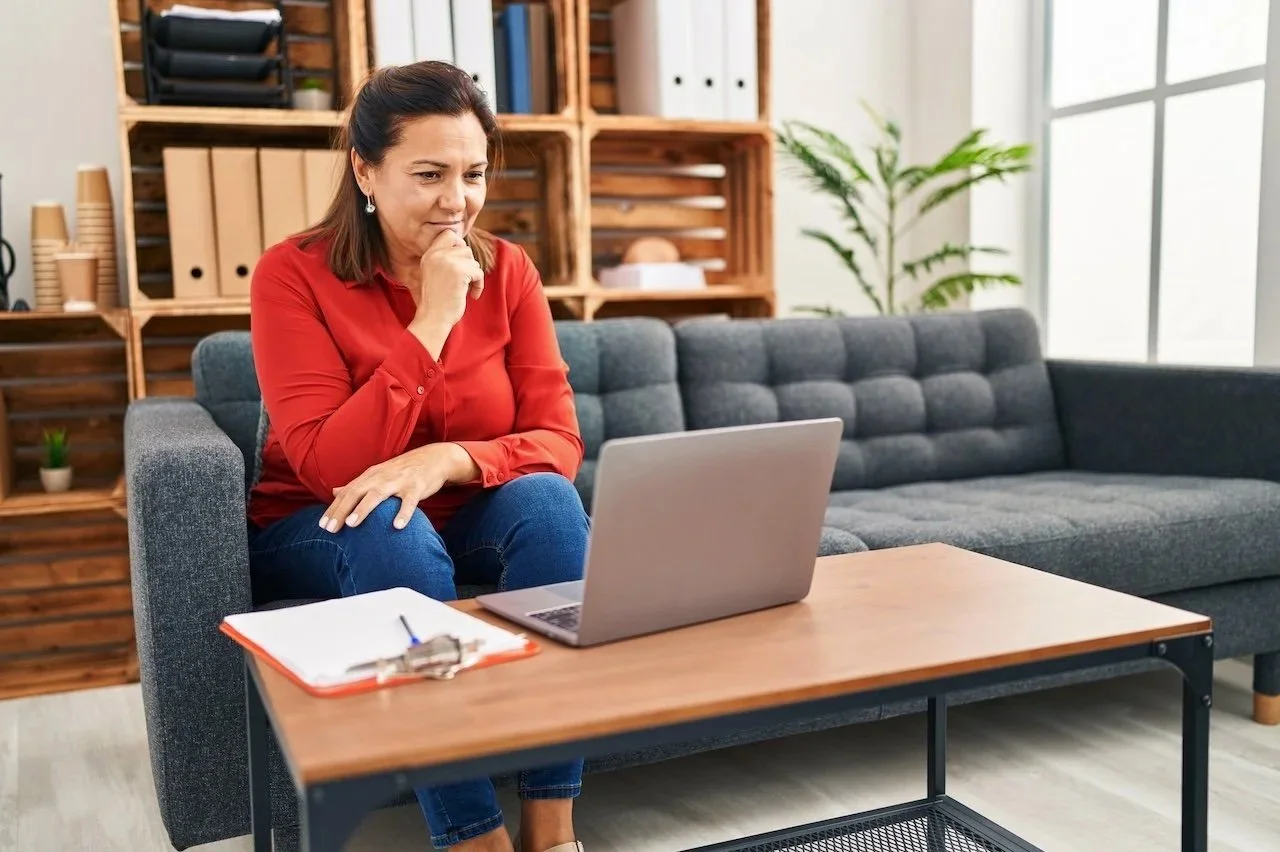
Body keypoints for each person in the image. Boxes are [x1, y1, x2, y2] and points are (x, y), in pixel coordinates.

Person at [245, 60, 590, 852]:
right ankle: (474, 838)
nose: (457, 201)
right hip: (323, 521)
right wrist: (430, 321)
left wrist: (446, 461)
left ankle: (552, 829)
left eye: (473, 174)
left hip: (462, 509)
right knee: (393, 534)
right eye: (429, 174)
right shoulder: (290, 275)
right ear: (365, 169)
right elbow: (329, 467)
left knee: (549, 506)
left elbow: (558, 440)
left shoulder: (509, 272)